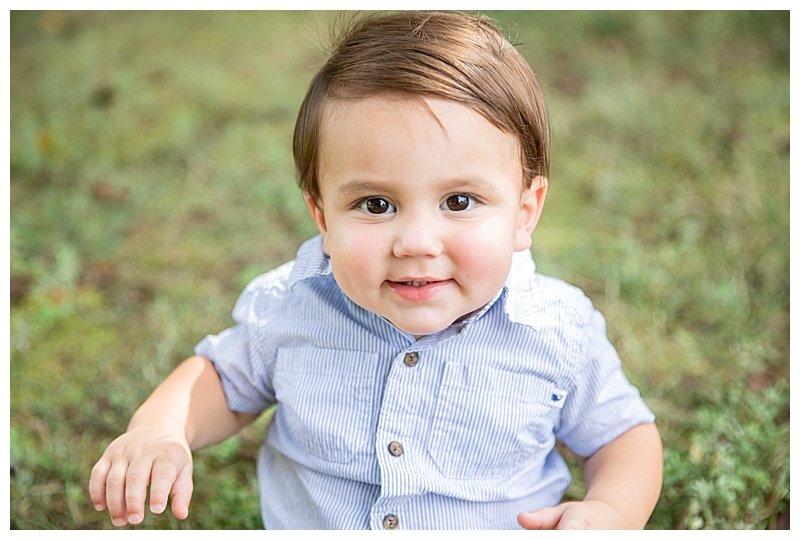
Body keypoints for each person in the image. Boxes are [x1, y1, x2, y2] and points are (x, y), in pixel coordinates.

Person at [88, 11, 663, 530]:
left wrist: (610, 510)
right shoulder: (297, 304)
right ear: (322, 216)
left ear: (524, 212)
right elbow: (220, 378)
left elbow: (623, 438)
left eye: (459, 201)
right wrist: (162, 428)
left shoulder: (555, 332)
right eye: (376, 205)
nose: (415, 242)